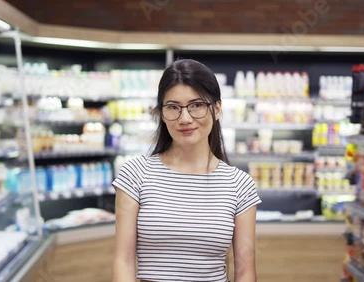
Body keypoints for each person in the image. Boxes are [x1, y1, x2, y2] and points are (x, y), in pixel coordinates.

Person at [112, 59, 261, 282]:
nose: (185, 118)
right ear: (161, 113)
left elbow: (245, 271)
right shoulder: (135, 174)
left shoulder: (239, 184)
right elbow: (123, 261)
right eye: (173, 107)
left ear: (217, 108)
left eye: (197, 105)